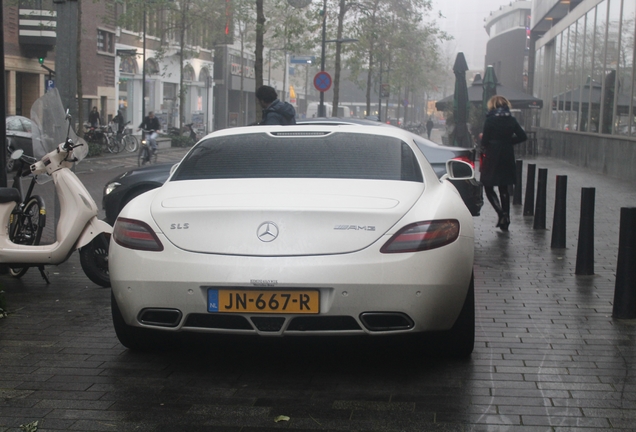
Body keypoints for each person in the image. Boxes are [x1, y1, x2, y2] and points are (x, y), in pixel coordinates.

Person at [480, 95, 527, 231]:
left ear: (492, 106)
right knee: (504, 186)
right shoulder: (511, 120)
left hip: (493, 155)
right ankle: (506, 221)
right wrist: (508, 142)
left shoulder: (490, 120)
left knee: (488, 185)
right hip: (507, 154)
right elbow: (523, 136)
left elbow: (485, 140)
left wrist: (485, 144)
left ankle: (501, 213)